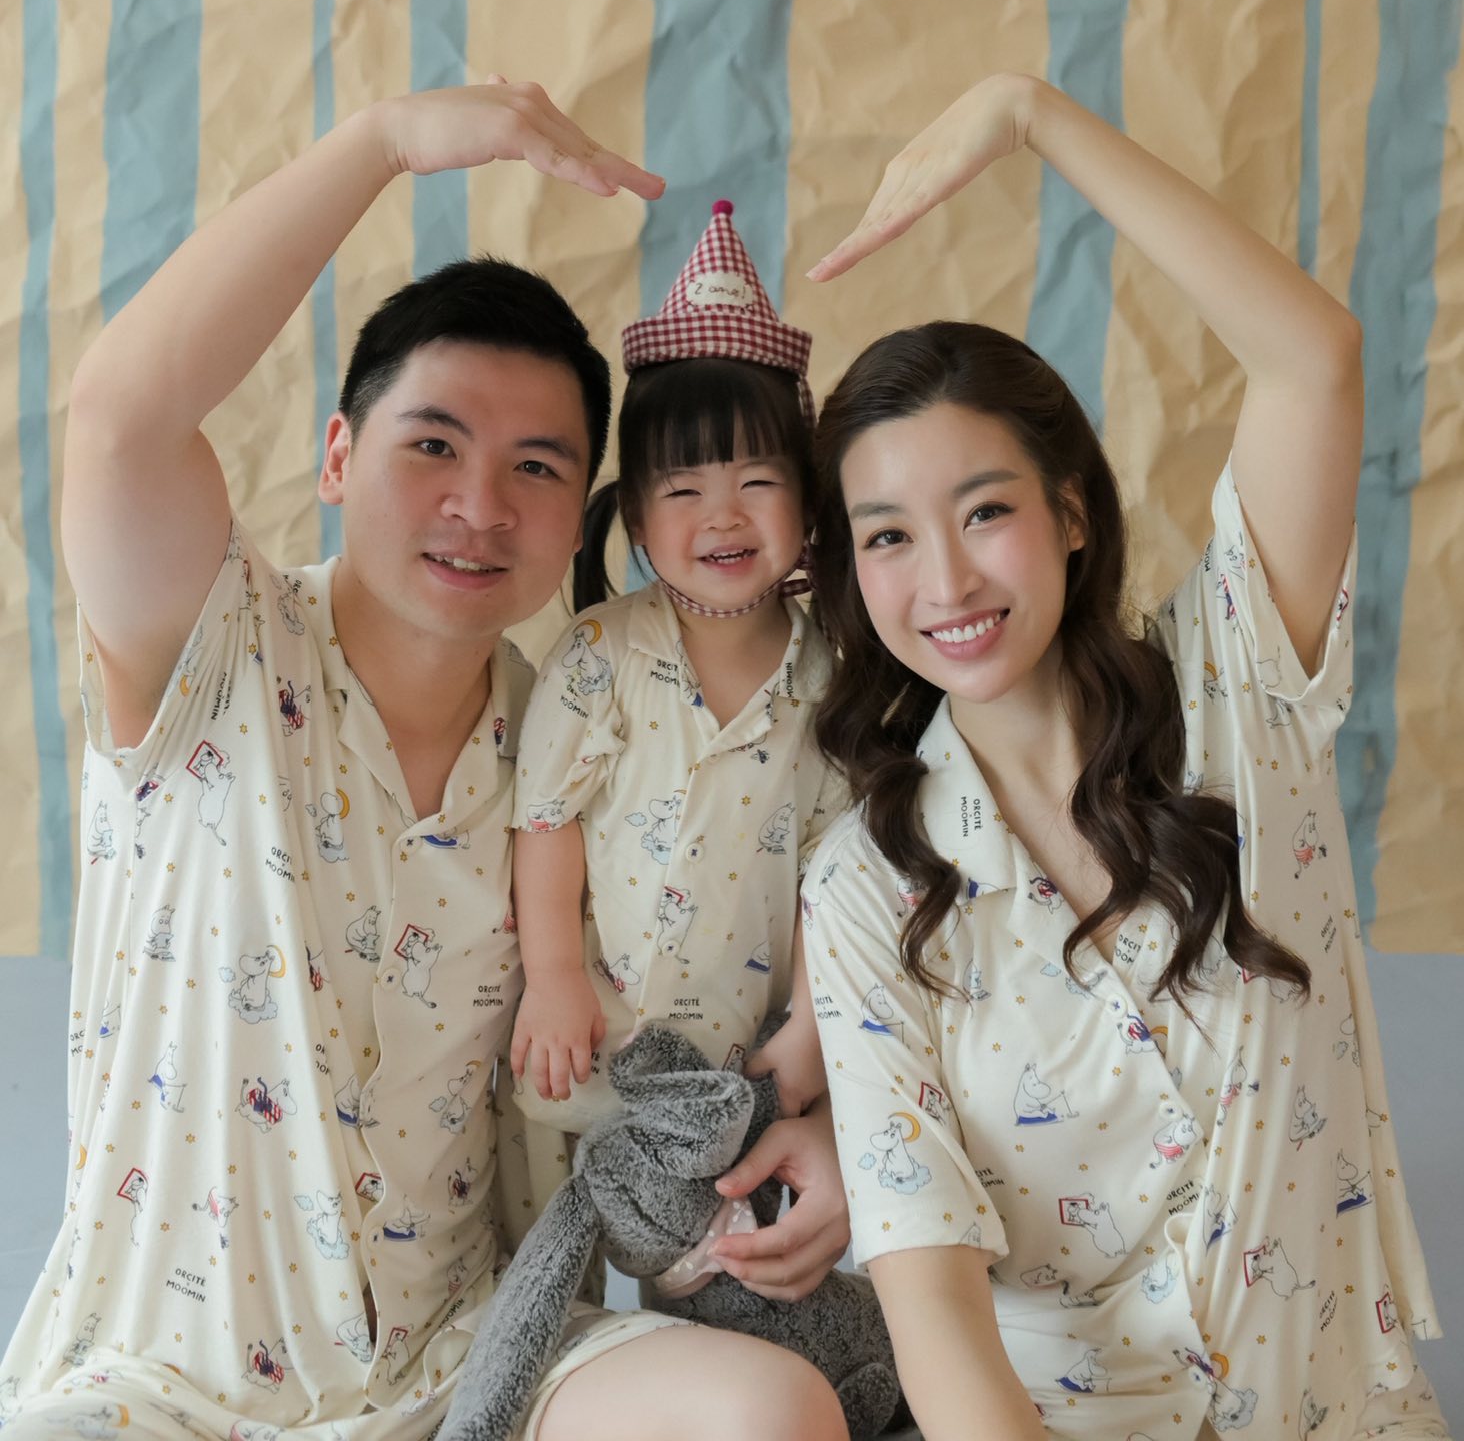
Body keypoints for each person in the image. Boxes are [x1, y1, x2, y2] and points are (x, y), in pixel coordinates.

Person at [0, 82, 850, 1441]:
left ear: (590, 515)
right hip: (157, 1383)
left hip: (465, 1357)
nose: (479, 505)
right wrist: (385, 144)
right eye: (434, 445)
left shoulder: (586, 732)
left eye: (537, 468)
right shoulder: (211, 642)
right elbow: (116, 417)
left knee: (770, 1412)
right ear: (339, 455)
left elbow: (728, 965)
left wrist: (830, 1135)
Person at [799, 72, 1444, 1440]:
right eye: (889, 536)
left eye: (986, 511)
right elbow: (931, 1302)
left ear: (1073, 513)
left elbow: (1314, 356)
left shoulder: (1236, 684)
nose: (946, 580)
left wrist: (1029, 116)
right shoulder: (862, 884)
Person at [508, 199, 841, 1152]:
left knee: (717, 1223)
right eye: (685, 490)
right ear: (638, 520)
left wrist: (809, 1025)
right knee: (576, 1204)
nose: (723, 516)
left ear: (808, 500)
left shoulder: (830, 677)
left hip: (749, 1055)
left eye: (758, 483)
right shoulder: (600, 654)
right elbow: (546, 817)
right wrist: (554, 977)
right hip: (595, 1032)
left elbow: (832, 869)